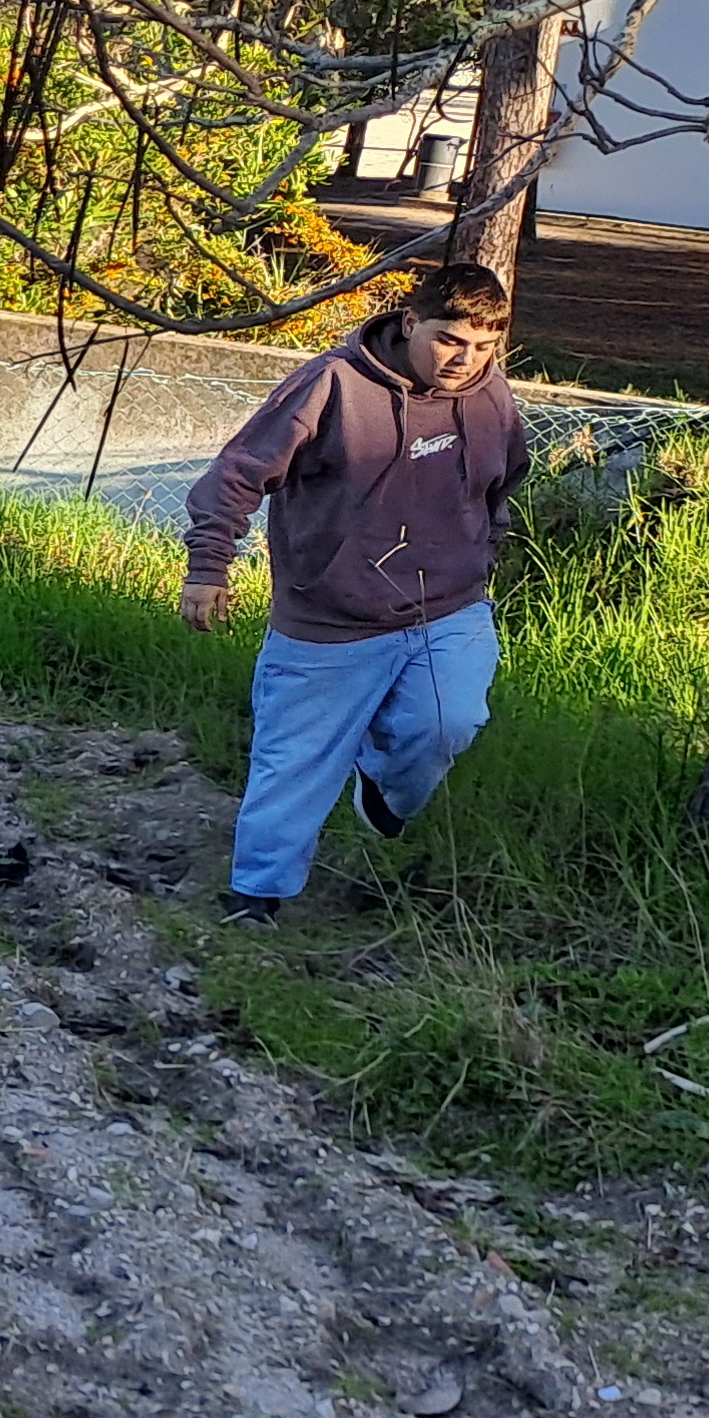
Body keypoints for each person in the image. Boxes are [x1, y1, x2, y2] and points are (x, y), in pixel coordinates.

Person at [182, 259, 521, 923]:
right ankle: (258, 899)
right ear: (411, 322)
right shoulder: (332, 384)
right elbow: (237, 474)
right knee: (294, 763)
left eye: (484, 347)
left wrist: (482, 555)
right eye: (450, 340)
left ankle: (382, 785)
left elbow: (501, 484)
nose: (465, 360)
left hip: (451, 606)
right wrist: (208, 567)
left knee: (449, 723)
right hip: (330, 619)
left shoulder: (491, 395)